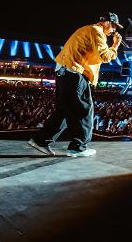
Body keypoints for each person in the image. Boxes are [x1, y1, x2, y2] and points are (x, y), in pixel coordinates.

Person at [28, 13, 123, 157]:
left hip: (64, 71)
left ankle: (41, 140)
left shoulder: (87, 29)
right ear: (107, 23)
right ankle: (78, 147)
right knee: (84, 109)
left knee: (65, 111)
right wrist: (115, 45)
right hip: (74, 72)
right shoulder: (97, 32)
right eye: (114, 26)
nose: (114, 31)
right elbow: (105, 56)